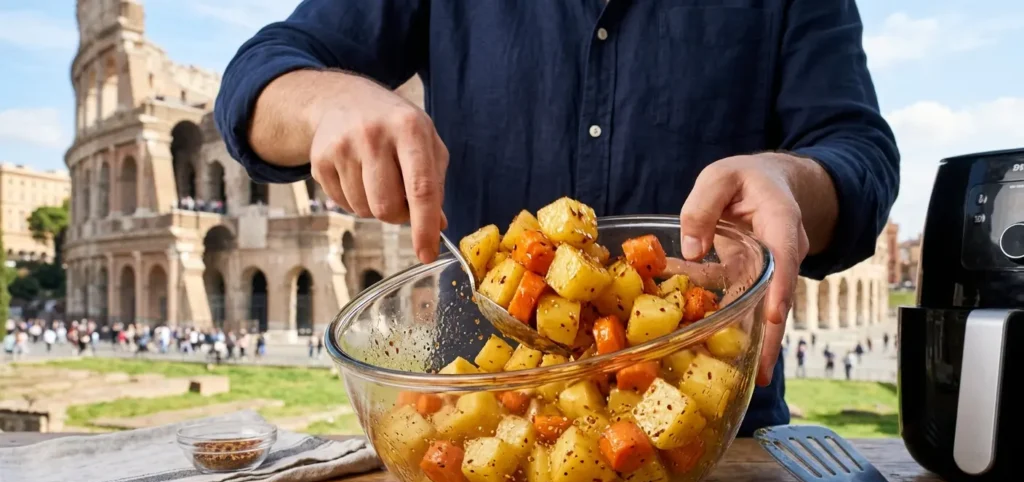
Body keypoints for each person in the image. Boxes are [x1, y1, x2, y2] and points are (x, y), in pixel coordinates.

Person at [215, 1, 899, 436]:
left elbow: (860, 153)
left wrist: (792, 179)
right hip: (474, 435)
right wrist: (326, 101)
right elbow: (256, 78)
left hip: (717, 446)